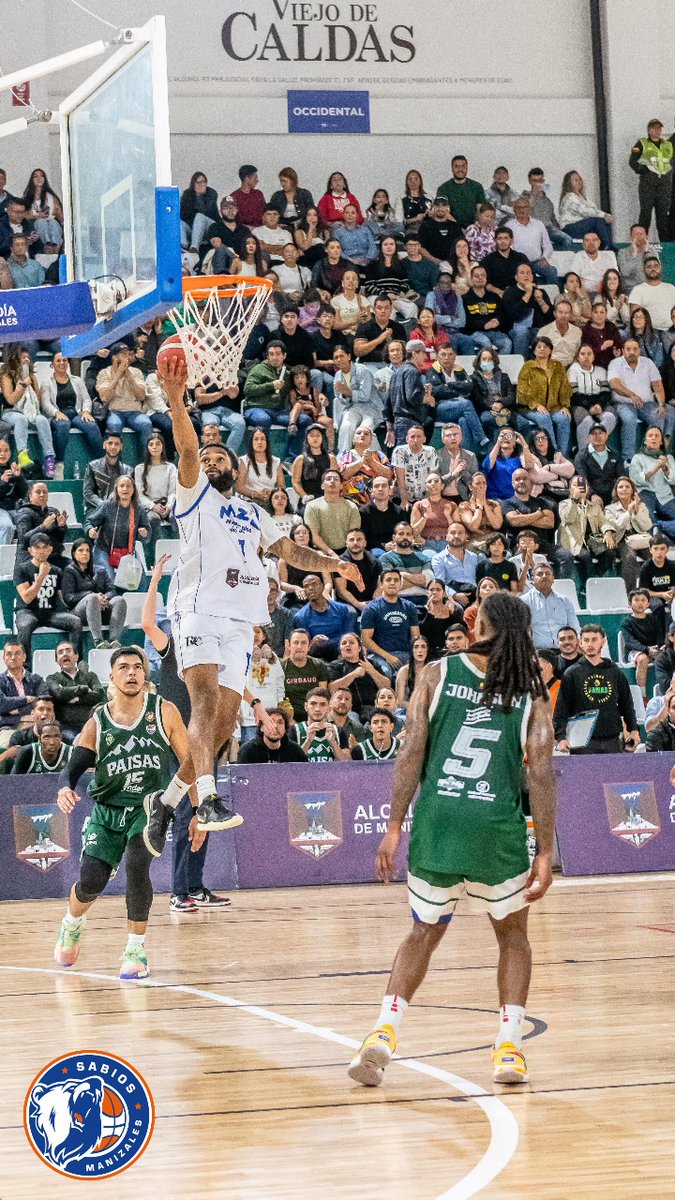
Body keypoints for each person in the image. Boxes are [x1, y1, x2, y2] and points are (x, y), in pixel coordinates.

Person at [142, 361, 363, 844]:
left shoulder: (252, 511)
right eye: (209, 457)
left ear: (237, 469)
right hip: (197, 607)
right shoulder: (194, 493)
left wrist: (335, 565)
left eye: (223, 458)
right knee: (202, 703)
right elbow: (184, 448)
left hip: (242, 620)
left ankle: (165, 803)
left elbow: (288, 550)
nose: (214, 462)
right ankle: (208, 798)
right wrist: (177, 400)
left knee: (223, 723)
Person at [348, 590, 555, 1088]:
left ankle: (382, 1035)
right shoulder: (530, 687)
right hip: (496, 828)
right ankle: (509, 1049)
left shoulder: (437, 673)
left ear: (478, 622)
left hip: (439, 820)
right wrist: (545, 851)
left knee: (423, 932)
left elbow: (410, 752)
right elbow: (543, 772)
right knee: (514, 938)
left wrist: (395, 825)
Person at [53, 648, 200, 979]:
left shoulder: (164, 711)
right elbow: (73, 768)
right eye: (124, 667)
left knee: (137, 866)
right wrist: (65, 788)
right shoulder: (98, 722)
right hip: (107, 812)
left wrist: (199, 808)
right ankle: (72, 923)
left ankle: (135, 949)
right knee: (91, 881)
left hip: (149, 809)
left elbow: (190, 761)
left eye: (138, 667)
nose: (132, 672)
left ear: (145, 675)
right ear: (112, 677)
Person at [554, 624, 640, 754]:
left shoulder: (614, 671)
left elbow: (626, 704)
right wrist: (561, 737)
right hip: (581, 741)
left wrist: (633, 729)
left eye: (594, 639)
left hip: (612, 739)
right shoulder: (571, 673)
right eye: (586, 640)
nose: (590, 644)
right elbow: (562, 708)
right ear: (580, 643)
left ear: (603, 642)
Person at [14, 532, 82, 656]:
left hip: (49, 613)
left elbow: (64, 598)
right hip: (27, 611)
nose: (41, 551)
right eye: (37, 548)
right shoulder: (21, 569)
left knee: (75, 621)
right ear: (30, 550)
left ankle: (75, 661)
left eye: (45, 547)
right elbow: (27, 598)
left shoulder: (57, 571)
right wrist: (41, 576)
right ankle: (25, 668)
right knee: (25, 625)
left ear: (50, 549)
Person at [608, 339, 670, 461]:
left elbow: (657, 385)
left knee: (658, 415)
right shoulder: (615, 363)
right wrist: (632, 395)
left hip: (646, 403)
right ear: (623, 351)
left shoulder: (648, 363)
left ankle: (652, 455)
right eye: (628, 349)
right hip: (623, 403)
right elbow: (615, 384)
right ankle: (628, 459)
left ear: (639, 350)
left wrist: (661, 404)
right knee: (629, 419)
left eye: (635, 349)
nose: (632, 352)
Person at [0, 346, 56, 475]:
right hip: (11, 412)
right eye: (23, 357)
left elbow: (39, 401)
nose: (26, 360)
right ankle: (22, 454)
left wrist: (36, 391)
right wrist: (22, 386)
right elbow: (10, 400)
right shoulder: (6, 375)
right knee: (21, 419)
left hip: (31, 412)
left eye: (27, 358)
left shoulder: (31, 376)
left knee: (42, 419)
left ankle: (49, 458)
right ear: (15, 359)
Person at [42, 351, 104, 466]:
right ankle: (59, 462)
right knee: (63, 425)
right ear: (52, 364)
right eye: (58, 361)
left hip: (76, 413)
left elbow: (86, 399)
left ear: (68, 363)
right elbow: (45, 404)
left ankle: (103, 461)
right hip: (58, 414)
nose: (62, 363)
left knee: (91, 425)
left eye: (65, 360)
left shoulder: (77, 380)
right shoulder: (47, 382)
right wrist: (56, 413)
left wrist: (86, 411)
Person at [516, 337, 573, 454]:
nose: (542, 349)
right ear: (534, 351)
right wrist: (536, 405)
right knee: (544, 417)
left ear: (550, 350)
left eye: (545, 347)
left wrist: (565, 405)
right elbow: (522, 391)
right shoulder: (528, 366)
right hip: (529, 407)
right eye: (539, 347)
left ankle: (562, 455)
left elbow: (565, 388)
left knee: (564, 418)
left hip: (553, 407)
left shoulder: (558, 366)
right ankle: (553, 452)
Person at [361, 569, 420, 678]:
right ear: (381, 584)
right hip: (379, 656)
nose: (393, 583)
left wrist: (414, 657)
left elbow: (415, 637)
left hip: (405, 654)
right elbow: (366, 640)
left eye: (396, 580)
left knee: (418, 674)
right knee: (385, 673)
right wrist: (388, 656)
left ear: (400, 584)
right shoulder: (371, 608)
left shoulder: (409, 607)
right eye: (388, 580)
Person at [558, 475, 613, 587]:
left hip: (592, 542)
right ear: (570, 489)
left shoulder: (594, 506)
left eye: (583, 485)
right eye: (576, 485)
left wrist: (608, 532)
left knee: (610, 553)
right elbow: (568, 519)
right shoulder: (564, 504)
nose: (580, 488)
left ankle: (593, 579)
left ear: (587, 489)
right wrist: (574, 500)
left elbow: (603, 522)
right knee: (585, 556)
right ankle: (590, 585)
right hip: (572, 542)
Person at [96, 342, 153, 449]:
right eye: (123, 355)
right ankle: (115, 463)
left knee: (146, 424)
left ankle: (146, 462)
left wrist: (129, 376)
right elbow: (104, 398)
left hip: (135, 412)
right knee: (114, 425)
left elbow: (141, 397)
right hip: (115, 411)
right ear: (114, 357)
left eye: (128, 354)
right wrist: (118, 375)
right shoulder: (104, 373)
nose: (127, 358)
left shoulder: (136, 372)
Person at [601, 476, 652, 593]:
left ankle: (652, 590)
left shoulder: (641, 506)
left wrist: (637, 510)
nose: (624, 489)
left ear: (632, 491)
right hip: (622, 540)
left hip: (641, 539)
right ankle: (632, 593)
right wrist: (628, 512)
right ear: (616, 491)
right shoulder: (610, 509)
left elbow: (647, 526)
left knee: (653, 556)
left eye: (627, 487)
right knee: (629, 557)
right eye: (621, 487)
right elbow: (615, 527)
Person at [45, 641, 105, 734]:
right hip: (65, 727)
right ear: (57, 661)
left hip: (91, 724)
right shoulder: (52, 678)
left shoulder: (90, 676)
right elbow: (59, 693)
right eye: (60, 652)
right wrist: (83, 689)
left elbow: (99, 694)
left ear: (76, 656)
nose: (65, 654)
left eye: (68, 651)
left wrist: (75, 698)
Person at [332, 346, 383, 453]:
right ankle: (343, 458)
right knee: (346, 426)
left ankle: (377, 459)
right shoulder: (337, 376)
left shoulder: (362, 371)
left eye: (341, 356)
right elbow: (342, 400)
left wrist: (348, 392)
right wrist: (345, 395)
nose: (339, 360)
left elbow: (365, 396)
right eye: (336, 357)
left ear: (349, 356)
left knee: (364, 431)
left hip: (371, 408)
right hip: (353, 408)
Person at [629, 119, 673, 242]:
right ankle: (642, 242)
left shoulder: (667, 144)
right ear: (649, 130)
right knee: (645, 214)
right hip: (648, 183)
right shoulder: (641, 143)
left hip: (664, 184)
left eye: (659, 128)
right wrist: (644, 171)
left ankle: (665, 244)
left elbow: (670, 161)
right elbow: (632, 161)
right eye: (655, 128)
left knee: (663, 215)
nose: (658, 131)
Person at [292, 573, 357, 657]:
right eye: (306, 586)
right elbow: (305, 649)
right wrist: (313, 642)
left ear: (322, 586)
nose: (310, 588)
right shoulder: (300, 617)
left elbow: (350, 637)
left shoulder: (342, 609)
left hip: (342, 652)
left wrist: (331, 643)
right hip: (318, 655)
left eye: (314, 584)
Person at [629, 426, 675, 538]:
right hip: (646, 494)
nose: (653, 438)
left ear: (661, 441)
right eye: (650, 436)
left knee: (655, 526)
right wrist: (655, 468)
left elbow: (673, 480)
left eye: (657, 436)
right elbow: (635, 480)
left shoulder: (668, 458)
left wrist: (665, 469)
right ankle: (658, 529)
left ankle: (659, 526)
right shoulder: (637, 458)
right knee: (646, 523)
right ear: (645, 441)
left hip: (665, 496)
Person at [568, 346, 616, 451]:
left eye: (589, 354)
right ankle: (584, 453)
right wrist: (590, 407)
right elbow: (574, 395)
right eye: (583, 354)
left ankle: (593, 446)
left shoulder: (601, 371)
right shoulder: (572, 370)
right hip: (579, 403)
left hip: (599, 403)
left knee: (610, 417)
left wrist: (599, 404)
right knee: (587, 421)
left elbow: (605, 393)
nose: (586, 357)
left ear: (594, 357)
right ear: (578, 357)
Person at [522, 563, 580, 648]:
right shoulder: (524, 601)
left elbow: (574, 627)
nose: (544, 576)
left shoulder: (564, 601)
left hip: (563, 651)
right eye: (540, 574)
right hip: (538, 652)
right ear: (532, 580)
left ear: (553, 579)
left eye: (548, 573)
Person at [502, 263, 554, 358]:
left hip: (536, 329)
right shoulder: (510, 292)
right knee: (522, 331)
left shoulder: (540, 292)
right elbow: (513, 315)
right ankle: (522, 365)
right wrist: (528, 292)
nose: (526, 275)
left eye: (529, 273)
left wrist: (540, 300)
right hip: (515, 330)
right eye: (522, 273)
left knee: (544, 333)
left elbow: (551, 316)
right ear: (516, 277)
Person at [506, 195, 557, 285]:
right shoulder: (509, 226)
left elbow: (547, 245)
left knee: (551, 271)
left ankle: (549, 296)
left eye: (525, 207)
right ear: (514, 210)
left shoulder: (539, 224)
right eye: (519, 207)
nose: (522, 210)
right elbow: (508, 247)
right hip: (517, 263)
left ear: (530, 209)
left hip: (537, 262)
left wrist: (544, 257)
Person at [622, 588, 664, 696]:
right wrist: (646, 649)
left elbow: (659, 637)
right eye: (636, 600)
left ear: (648, 603)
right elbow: (630, 642)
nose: (640, 603)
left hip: (652, 650)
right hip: (634, 651)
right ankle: (642, 696)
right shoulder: (627, 622)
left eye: (643, 600)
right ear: (630, 604)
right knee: (642, 659)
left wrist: (660, 647)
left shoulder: (653, 619)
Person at [289, 686, 349, 761]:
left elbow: (347, 763)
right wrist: (308, 741)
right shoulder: (294, 730)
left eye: (323, 704)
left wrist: (333, 743)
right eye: (313, 704)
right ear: (306, 706)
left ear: (329, 707)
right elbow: (290, 764)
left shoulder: (338, 731)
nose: (317, 709)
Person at [82, 432, 132, 521]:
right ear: (104, 445)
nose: (113, 447)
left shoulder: (128, 470)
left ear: (121, 447)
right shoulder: (93, 466)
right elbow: (88, 493)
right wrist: (104, 505)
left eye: (117, 444)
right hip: (96, 508)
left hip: (121, 509)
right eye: (110, 443)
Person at [558, 170, 614, 247]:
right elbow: (585, 212)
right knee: (596, 221)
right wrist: (604, 215)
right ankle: (607, 246)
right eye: (576, 180)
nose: (579, 182)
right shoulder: (570, 197)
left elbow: (595, 209)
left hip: (580, 225)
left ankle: (607, 245)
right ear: (569, 183)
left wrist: (606, 216)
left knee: (605, 221)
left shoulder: (583, 198)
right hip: (569, 228)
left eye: (580, 179)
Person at [236, 427, 285, 511]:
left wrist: (272, 493)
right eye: (256, 439)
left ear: (267, 442)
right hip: (250, 501)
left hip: (271, 500)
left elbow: (282, 486)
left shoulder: (276, 461)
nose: (259, 442)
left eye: (263, 439)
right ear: (251, 442)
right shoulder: (244, 461)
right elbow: (239, 486)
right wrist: (256, 494)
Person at [573, 423, 621, 507]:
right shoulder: (581, 456)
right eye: (593, 433)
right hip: (590, 497)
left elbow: (622, 477)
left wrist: (617, 496)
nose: (597, 436)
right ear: (589, 437)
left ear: (606, 436)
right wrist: (591, 495)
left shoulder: (615, 454)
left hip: (612, 496)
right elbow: (581, 480)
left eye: (600, 433)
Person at [238, 706, 308, 764]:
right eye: (270, 722)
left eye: (280, 722)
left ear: (285, 729)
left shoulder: (295, 751)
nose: (275, 726)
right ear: (261, 727)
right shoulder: (248, 751)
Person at [335, 528, 381, 613]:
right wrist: (359, 605)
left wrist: (374, 602)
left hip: (371, 602)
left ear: (365, 543)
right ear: (347, 544)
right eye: (351, 540)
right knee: (351, 613)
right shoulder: (341, 563)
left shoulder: (374, 561)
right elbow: (342, 591)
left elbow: (380, 585)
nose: (355, 543)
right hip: (348, 604)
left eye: (359, 539)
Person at [483, 428, 535, 502]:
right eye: (503, 435)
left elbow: (529, 465)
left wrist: (524, 445)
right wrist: (498, 443)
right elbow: (487, 466)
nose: (506, 438)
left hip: (514, 499)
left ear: (514, 442)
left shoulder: (518, 458)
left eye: (509, 436)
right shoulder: (493, 457)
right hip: (495, 499)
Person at [436, 156, 485, 230]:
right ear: (452, 169)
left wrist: (474, 228)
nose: (460, 169)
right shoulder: (443, 188)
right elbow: (444, 211)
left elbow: (480, 210)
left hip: (474, 229)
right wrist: (458, 228)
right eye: (456, 166)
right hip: (452, 228)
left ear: (467, 168)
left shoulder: (477, 187)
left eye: (463, 166)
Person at [628, 257, 675, 333]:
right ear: (644, 270)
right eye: (649, 267)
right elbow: (635, 317)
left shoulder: (671, 288)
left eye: (656, 266)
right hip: (649, 333)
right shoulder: (638, 290)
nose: (653, 269)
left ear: (660, 268)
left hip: (671, 331)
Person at [417, 196, 462, 267]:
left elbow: (462, 245)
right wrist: (435, 260)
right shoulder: (425, 226)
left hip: (453, 264)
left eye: (443, 206)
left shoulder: (455, 226)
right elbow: (420, 247)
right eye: (437, 205)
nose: (440, 209)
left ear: (448, 208)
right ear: (433, 207)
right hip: (432, 264)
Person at [539, 299, 582, 368]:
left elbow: (578, 353)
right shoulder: (544, 331)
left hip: (571, 368)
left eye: (566, 313)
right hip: (550, 368)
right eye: (560, 312)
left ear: (571, 315)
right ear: (554, 314)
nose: (563, 316)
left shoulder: (577, 331)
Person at [617, 225, 658, 292]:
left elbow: (654, 271)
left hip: (650, 287)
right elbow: (625, 272)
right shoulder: (623, 252)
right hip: (631, 288)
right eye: (636, 234)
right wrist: (634, 253)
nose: (639, 236)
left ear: (646, 236)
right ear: (630, 237)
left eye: (641, 234)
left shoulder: (652, 251)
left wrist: (646, 252)